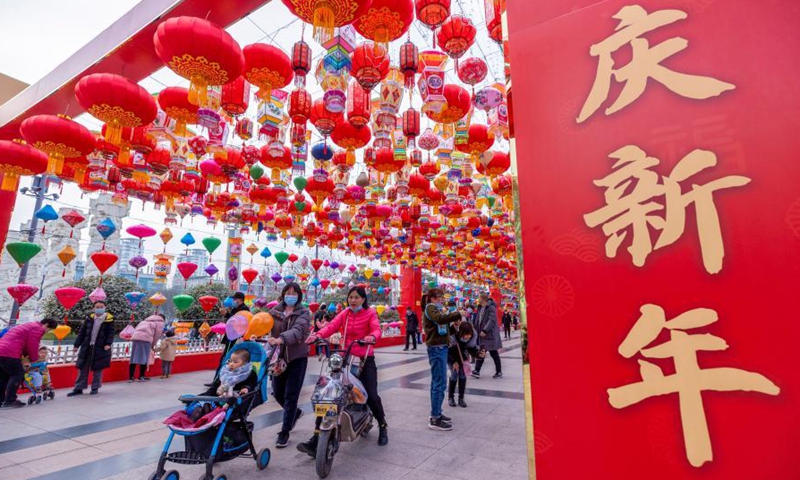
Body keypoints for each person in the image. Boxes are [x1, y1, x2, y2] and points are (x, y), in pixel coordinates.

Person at [300, 286, 388, 453]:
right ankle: (316, 437)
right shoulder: (345, 313)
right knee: (328, 393)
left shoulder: (370, 313)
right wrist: (318, 335)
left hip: (364, 359)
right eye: (350, 297)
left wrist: (372, 337)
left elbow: (376, 329)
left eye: (356, 297)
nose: (353, 300)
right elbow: (331, 326)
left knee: (372, 395)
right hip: (344, 358)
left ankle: (382, 424)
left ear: (363, 299)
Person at [267, 283, 311, 449]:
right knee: (277, 392)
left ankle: (284, 431)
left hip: (297, 358)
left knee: (291, 395)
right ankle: (295, 413)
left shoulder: (304, 313)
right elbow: (265, 326)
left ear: (299, 296)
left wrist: (281, 339)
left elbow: (298, 331)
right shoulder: (274, 312)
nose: (290, 295)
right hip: (278, 360)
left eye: (294, 293)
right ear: (283, 294)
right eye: (288, 292)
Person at [422, 289, 463, 431]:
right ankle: (435, 418)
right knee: (439, 383)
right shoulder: (431, 308)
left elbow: (443, 329)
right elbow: (440, 320)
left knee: (438, 382)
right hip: (436, 349)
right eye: (440, 297)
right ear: (433, 298)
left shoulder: (437, 309)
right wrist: (457, 314)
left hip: (441, 348)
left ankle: (437, 413)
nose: (442, 299)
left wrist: (453, 327)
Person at [0, 318, 57, 408]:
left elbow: (25, 344)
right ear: (46, 325)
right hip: (10, 352)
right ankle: (10, 400)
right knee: (18, 374)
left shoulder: (29, 325)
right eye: (48, 329)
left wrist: (26, 355)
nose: (47, 331)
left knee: (4, 376)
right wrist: (34, 359)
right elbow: (33, 345)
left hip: (2, 350)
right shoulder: (38, 329)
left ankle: (1, 400)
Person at [67, 302, 116, 397]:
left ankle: (95, 387)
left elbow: (111, 333)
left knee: (98, 368)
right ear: (93, 308)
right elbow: (82, 333)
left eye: (101, 307)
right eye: (97, 307)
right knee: (82, 367)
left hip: (101, 347)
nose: (99, 308)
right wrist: (76, 345)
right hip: (87, 346)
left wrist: (108, 344)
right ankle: (78, 388)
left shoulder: (109, 319)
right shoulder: (89, 318)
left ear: (105, 307)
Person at [210, 292, 250, 386]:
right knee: (224, 359)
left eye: (235, 299)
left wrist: (227, 314)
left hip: (236, 338)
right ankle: (216, 381)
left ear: (240, 299)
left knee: (228, 359)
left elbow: (237, 321)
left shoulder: (244, 309)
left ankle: (218, 381)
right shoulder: (235, 308)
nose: (233, 301)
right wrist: (226, 314)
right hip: (231, 336)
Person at [448, 322, 478, 408]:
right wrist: (454, 362)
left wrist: (478, 354)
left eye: (470, 334)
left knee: (463, 376)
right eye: (466, 334)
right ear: (461, 333)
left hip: (462, 359)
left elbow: (473, 349)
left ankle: (461, 398)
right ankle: (451, 397)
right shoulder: (453, 338)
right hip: (452, 359)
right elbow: (449, 351)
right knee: (454, 375)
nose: (468, 336)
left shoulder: (470, 339)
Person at [473, 293, 503, 379]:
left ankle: (499, 371)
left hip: (489, 334)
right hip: (482, 335)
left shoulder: (491, 307)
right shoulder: (480, 307)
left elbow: (492, 320)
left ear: (483, 298)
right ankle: (476, 371)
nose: (477, 299)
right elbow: (478, 320)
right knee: (481, 351)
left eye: (479, 297)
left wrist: (485, 330)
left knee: (494, 353)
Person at [128, 314, 165, 383]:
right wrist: (153, 344)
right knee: (144, 358)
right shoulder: (160, 322)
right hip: (146, 340)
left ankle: (131, 377)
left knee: (133, 358)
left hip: (136, 339)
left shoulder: (144, 321)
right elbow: (157, 334)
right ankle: (141, 376)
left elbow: (136, 329)